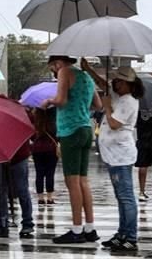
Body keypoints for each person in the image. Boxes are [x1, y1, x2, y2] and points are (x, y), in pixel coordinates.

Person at [83, 61, 143, 254]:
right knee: (120, 197)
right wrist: (89, 69)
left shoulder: (129, 101)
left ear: (130, 84)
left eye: (120, 82)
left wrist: (107, 107)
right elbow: (103, 84)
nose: (116, 85)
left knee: (126, 197)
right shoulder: (119, 96)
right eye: (116, 81)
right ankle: (122, 233)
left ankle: (131, 237)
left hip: (121, 155)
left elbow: (115, 123)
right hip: (113, 155)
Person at [41, 56, 101, 244]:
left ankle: (76, 229)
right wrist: (80, 103)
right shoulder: (86, 77)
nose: (53, 71)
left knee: (72, 182)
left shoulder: (64, 72)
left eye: (52, 67)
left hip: (70, 130)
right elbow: (98, 105)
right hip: (85, 129)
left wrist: (48, 101)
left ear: (58, 63)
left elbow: (61, 99)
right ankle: (89, 228)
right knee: (83, 181)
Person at [0, 98, 35, 240]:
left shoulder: (16, 113)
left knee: (4, 190)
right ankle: (23, 223)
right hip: (10, 157)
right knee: (12, 190)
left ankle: (4, 222)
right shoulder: (20, 112)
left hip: (13, 157)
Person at [31, 107, 59, 206]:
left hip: (37, 149)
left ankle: (40, 198)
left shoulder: (36, 122)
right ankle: (50, 197)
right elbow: (58, 136)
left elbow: (32, 136)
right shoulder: (53, 123)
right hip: (51, 149)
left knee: (39, 174)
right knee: (50, 174)